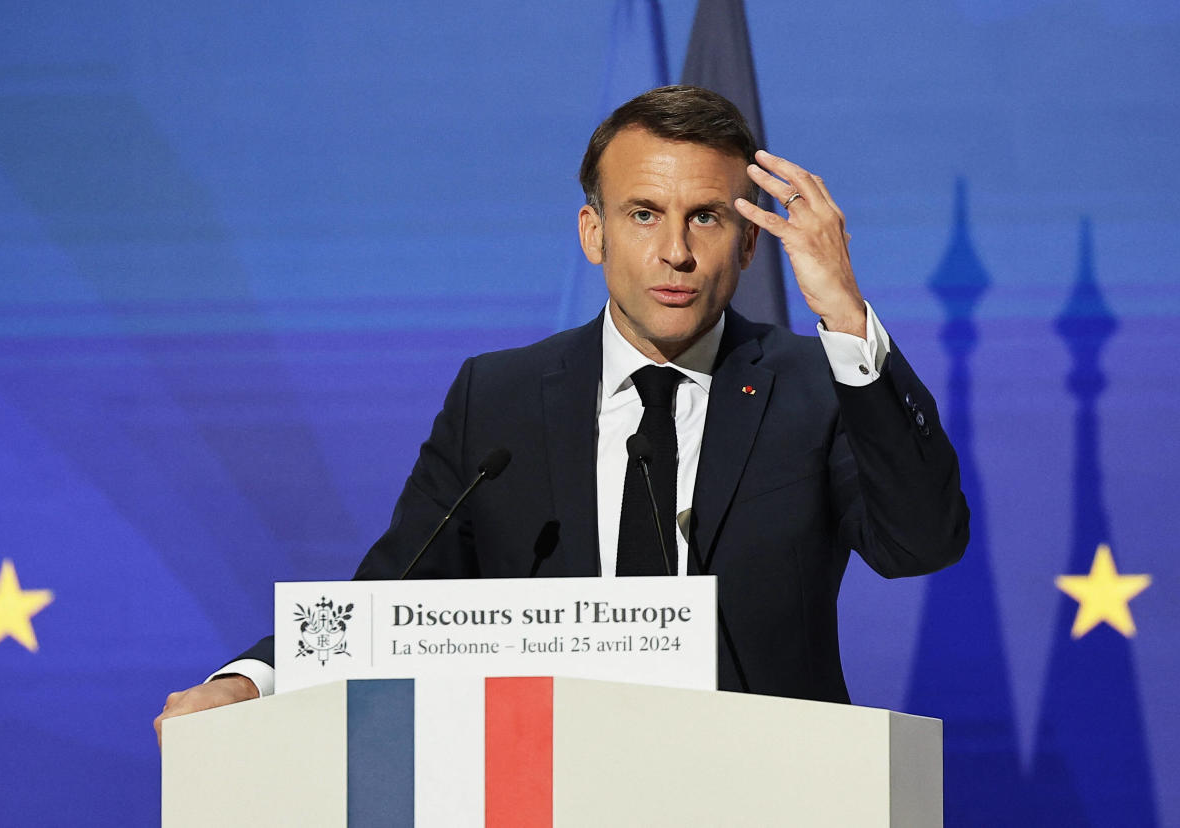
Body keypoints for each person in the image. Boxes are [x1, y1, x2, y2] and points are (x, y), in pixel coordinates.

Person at [155, 85, 968, 745]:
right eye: (643, 214)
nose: (675, 252)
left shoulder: (817, 384)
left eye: (706, 218)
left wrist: (848, 320)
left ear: (750, 245)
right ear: (594, 231)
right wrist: (248, 681)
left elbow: (920, 543)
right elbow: (389, 600)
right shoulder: (499, 399)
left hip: (772, 789)